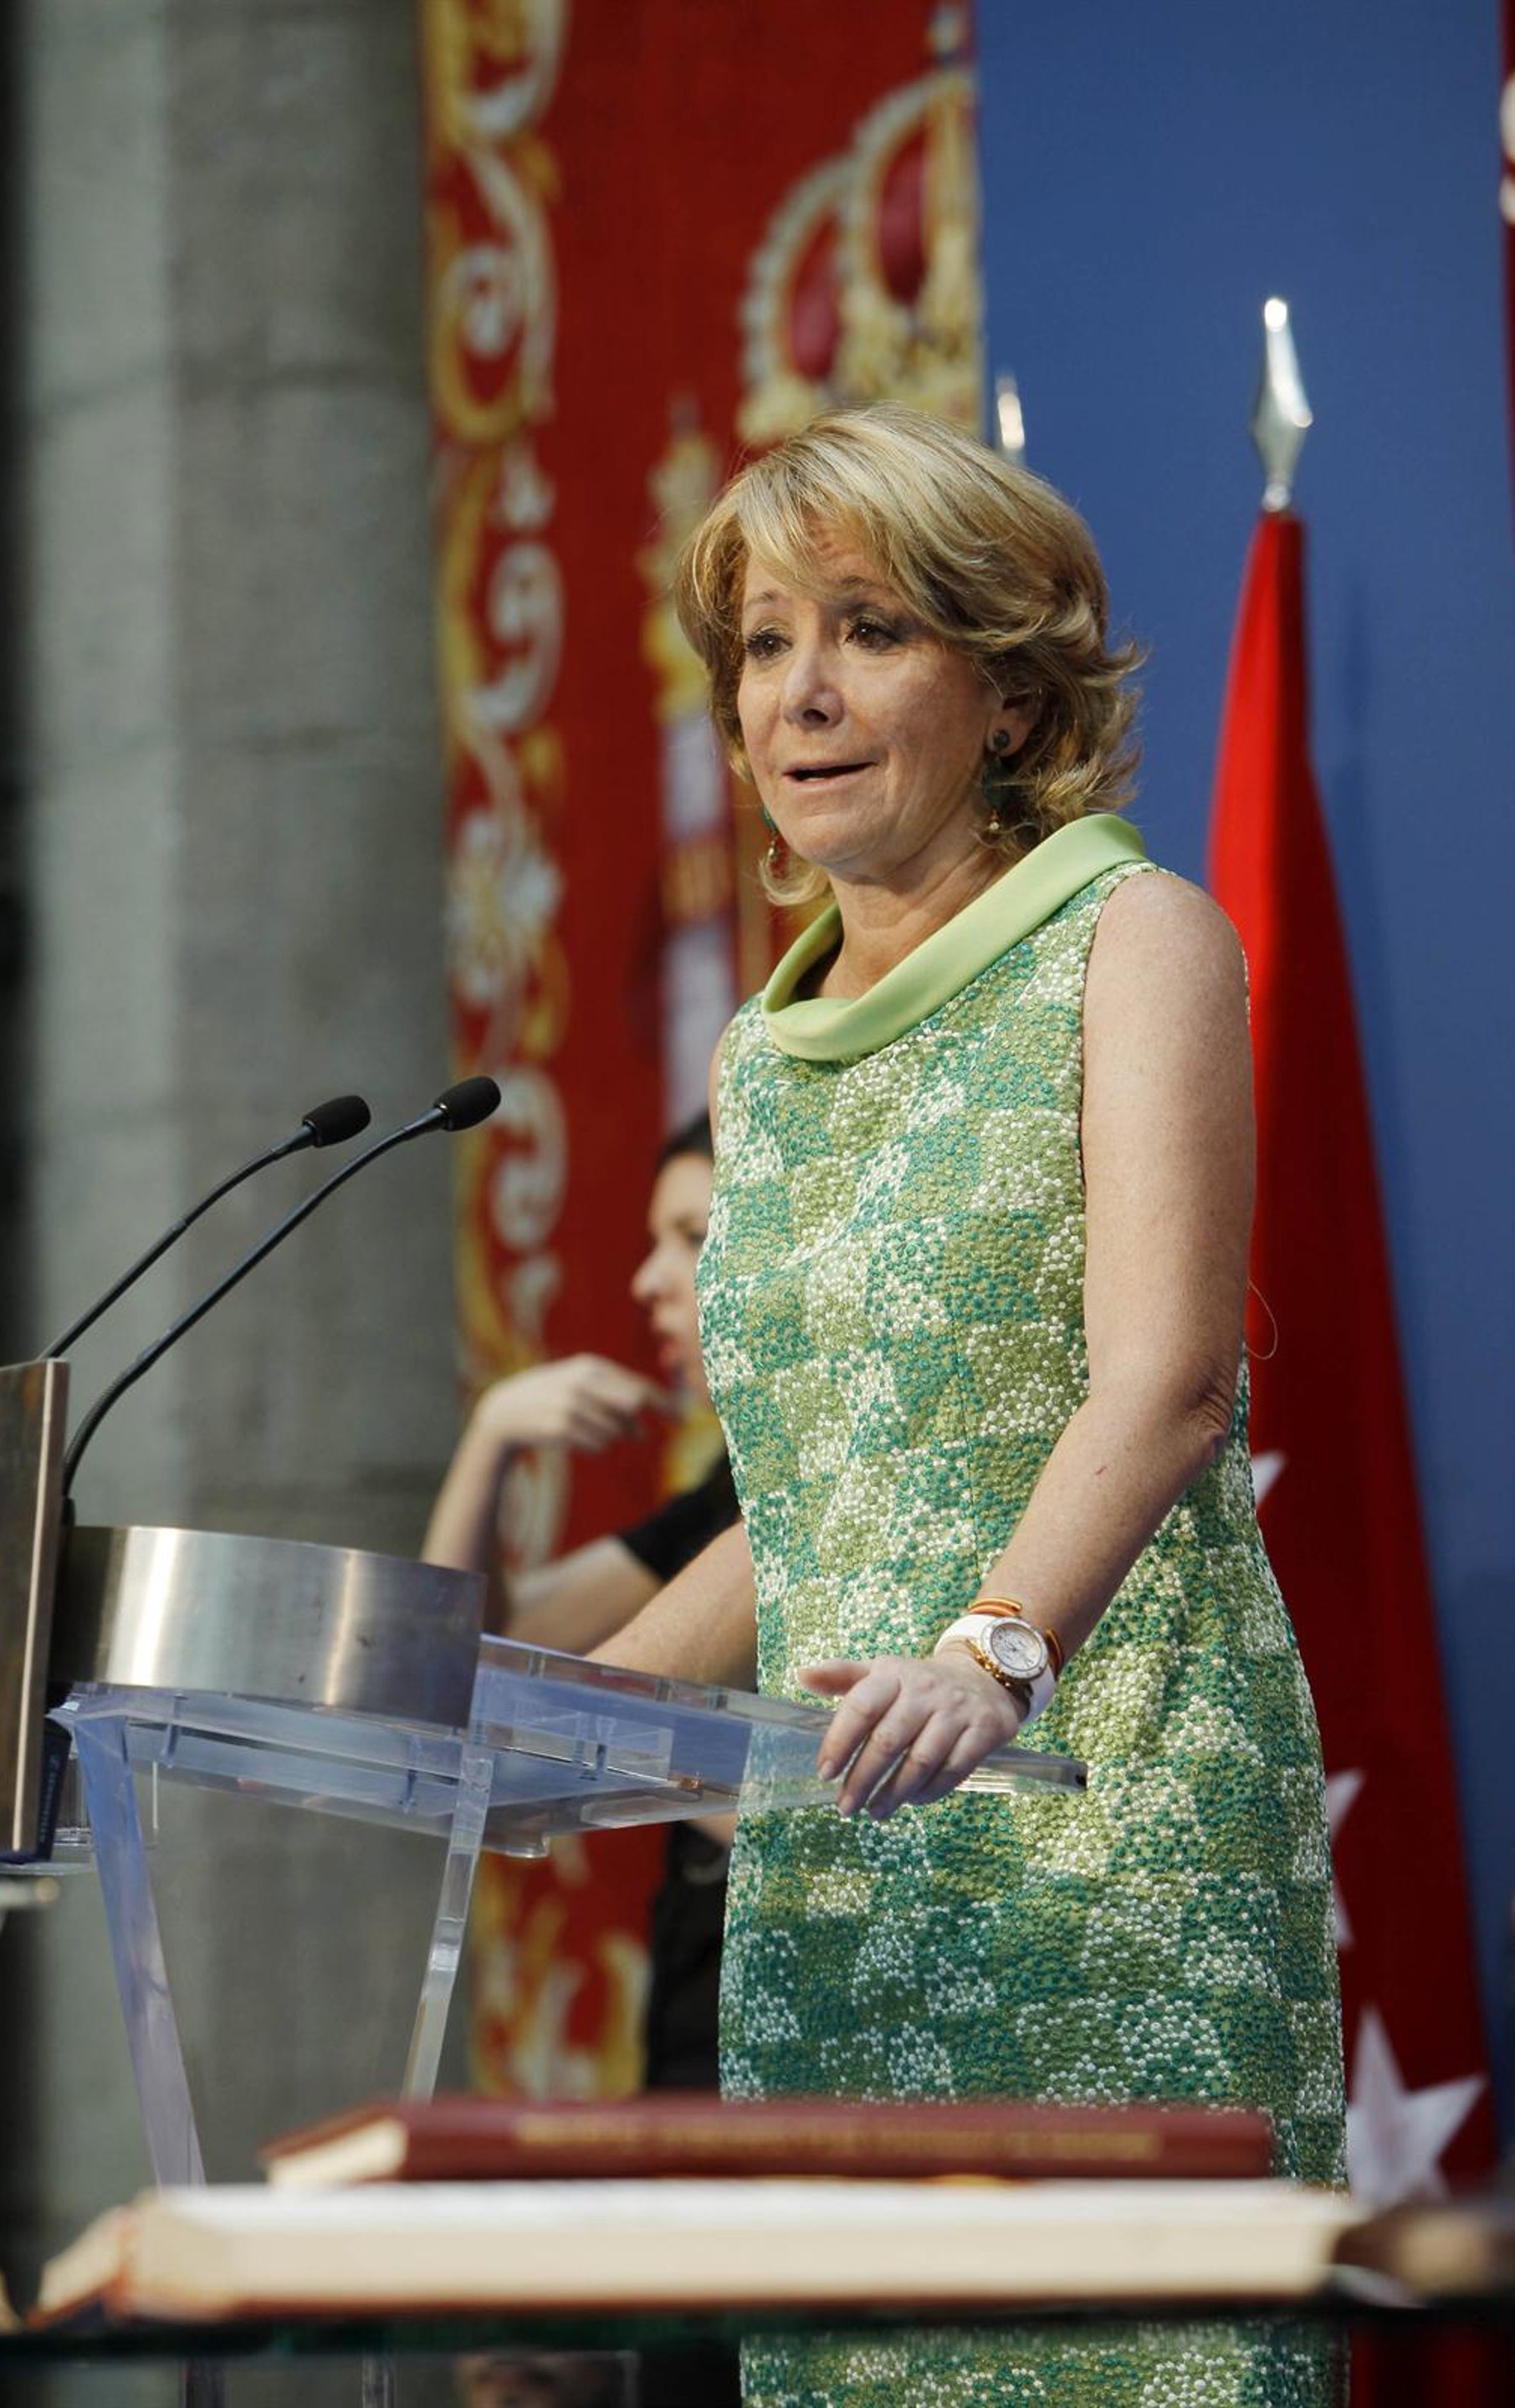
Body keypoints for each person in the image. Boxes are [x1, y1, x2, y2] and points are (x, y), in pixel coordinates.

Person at [589, 402, 1347, 2406]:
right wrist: (550, 1716)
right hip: (842, 1869)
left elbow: (1168, 1381)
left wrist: (993, 1648)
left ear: (1008, 694)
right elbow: (815, 1491)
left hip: (1104, 1831)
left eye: (870, 630)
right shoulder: (764, 1060)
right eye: (765, 644)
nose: (800, 693)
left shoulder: (1132, 937)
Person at [422, 1112, 736, 2094]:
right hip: (693, 2007)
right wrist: (493, 1435)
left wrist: (647, 1761)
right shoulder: (726, 1496)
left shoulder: (833, 1488)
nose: (648, 1280)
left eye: (692, 1238)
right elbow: (458, 1656)